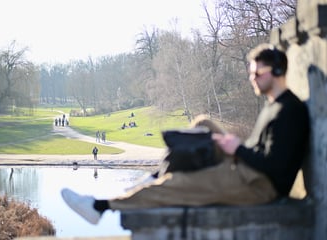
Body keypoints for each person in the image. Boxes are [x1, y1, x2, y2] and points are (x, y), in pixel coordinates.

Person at [61, 44, 310, 225]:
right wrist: (230, 146)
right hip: (247, 169)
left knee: (177, 184)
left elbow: (276, 168)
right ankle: (155, 175)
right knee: (203, 124)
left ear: (277, 71)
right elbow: (262, 150)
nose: (252, 79)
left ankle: (99, 207)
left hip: (260, 187)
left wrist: (238, 149)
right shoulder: (273, 104)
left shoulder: (289, 111)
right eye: (251, 73)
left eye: (258, 73)